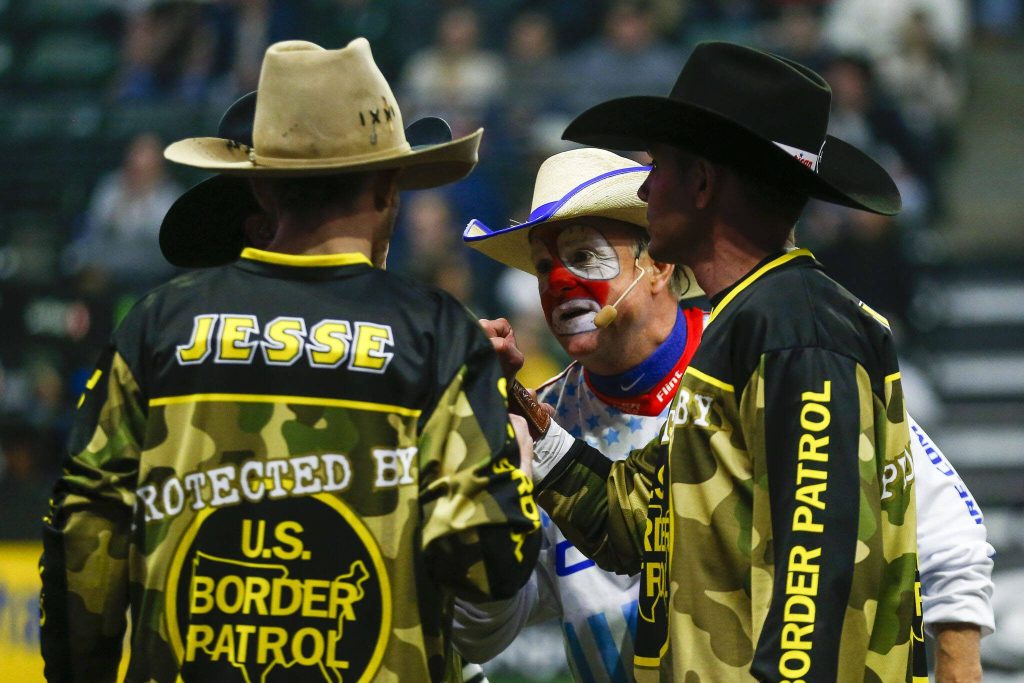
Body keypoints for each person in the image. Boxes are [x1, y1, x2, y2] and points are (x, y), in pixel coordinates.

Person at [39, 38, 541, 683]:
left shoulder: (156, 326)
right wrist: (512, 451)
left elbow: (84, 529)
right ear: (390, 185)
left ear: (263, 192)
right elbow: (487, 560)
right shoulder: (439, 334)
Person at [455, 148, 994, 682]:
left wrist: (957, 665)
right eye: (545, 267)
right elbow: (483, 630)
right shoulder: (534, 431)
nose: (559, 284)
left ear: (659, 268)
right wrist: (491, 461)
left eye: (584, 257)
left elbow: (944, 527)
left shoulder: (774, 350)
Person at [501, 41, 930, 682]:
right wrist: (525, 408)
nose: (645, 187)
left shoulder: (794, 327)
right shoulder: (748, 325)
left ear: (701, 183)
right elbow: (632, 522)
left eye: (659, 167)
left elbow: (813, 573)